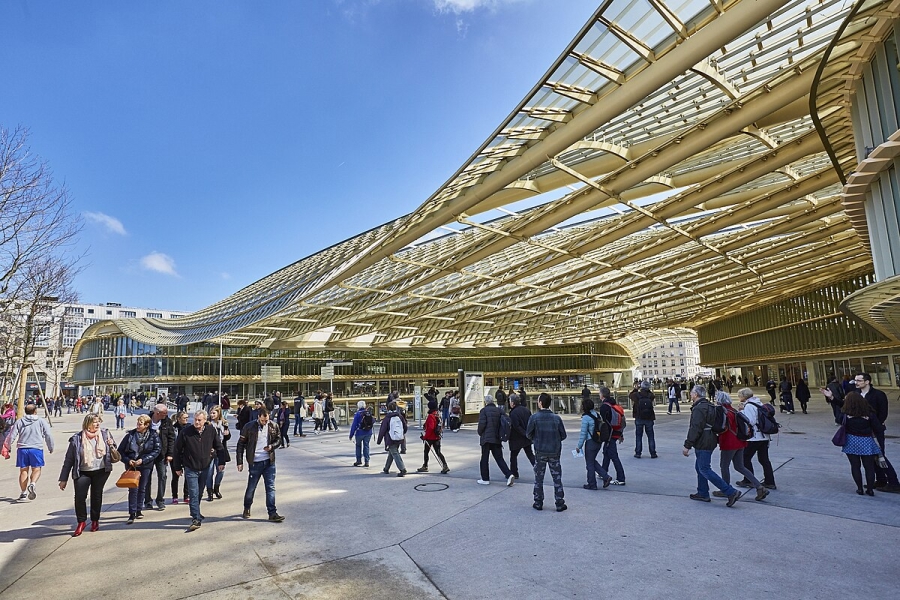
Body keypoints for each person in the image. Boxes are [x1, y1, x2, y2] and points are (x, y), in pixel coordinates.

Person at [682, 385, 742, 506]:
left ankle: (730, 492)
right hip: (710, 439)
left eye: (692, 392)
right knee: (700, 467)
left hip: (703, 441)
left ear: (696, 394)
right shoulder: (710, 406)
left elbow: (695, 428)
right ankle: (702, 492)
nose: (691, 394)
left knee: (704, 468)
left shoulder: (699, 408)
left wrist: (687, 445)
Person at [58, 414, 116, 536]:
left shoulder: (105, 434)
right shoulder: (77, 439)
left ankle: (95, 520)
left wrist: (111, 445)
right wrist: (63, 478)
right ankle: (81, 521)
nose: (97, 424)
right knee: (80, 497)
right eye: (95, 422)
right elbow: (69, 460)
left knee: (96, 495)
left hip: (101, 471)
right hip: (82, 472)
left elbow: (114, 451)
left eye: (98, 421)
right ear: (87, 423)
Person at [172, 410, 227, 531]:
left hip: (205, 467)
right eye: (195, 419)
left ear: (205, 420)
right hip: (190, 467)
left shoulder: (211, 431)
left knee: (200, 492)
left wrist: (221, 461)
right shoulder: (186, 432)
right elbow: (177, 450)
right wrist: (177, 467)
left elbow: (219, 446)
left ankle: (196, 511)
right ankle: (196, 518)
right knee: (193, 493)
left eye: (199, 420)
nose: (196, 422)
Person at [847, 373, 899, 492]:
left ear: (867, 381)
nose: (856, 383)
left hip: (875, 431)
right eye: (855, 380)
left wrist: (875, 426)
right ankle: (881, 480)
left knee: (880, 456)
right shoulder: (857, 394)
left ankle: (894, 482)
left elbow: (883, 413)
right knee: (870, 458)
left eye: (859, 380)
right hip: (862, 432)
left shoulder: (878, 395)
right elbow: (847, 407)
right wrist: (832, 398)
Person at [713, 391, 768, 501]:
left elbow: (721, 428)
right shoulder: (733, 410)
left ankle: (726, 489)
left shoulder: (723, 412)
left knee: (724, 466)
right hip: (740, 441)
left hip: (729, 442)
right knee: (740, 466)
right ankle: (759, 486)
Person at [236, 407, 285, 522]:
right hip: (255, 462)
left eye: (266, 420)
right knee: (251, 487)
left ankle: (272, 513)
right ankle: (247, 507)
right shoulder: (249, 427)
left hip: (269, 462)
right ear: (258, 417)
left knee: (271, 488)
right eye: (263, 420)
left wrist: (272, 446)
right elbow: (241, 444)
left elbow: (279, 439)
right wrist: (240, 461)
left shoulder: (273, 425)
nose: (265, 422)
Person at [1, 403, 54, 501]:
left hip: (22, 449)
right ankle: (32, 483)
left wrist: (7, 446)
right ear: (35, 411)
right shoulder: (41, 421)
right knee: (36, 469)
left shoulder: (20, 421)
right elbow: (48, 435)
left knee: (23, 471)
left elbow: (12, 435)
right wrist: (51, 447)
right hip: (36, 448)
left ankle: (23, 493)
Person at [526, 393, 567, 511]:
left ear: (540, 403)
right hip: (554, 452)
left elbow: (528, 434)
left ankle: (538, 502)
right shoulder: (556, 418)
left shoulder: (534, 418)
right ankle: (559, 502)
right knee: (557, 478)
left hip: (540, 452)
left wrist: (537, 439)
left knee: (539, 478)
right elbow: (563, 435)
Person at [839, 392, 884, 495]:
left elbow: (838, 419)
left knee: (855, 466)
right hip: (866, 441)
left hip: (851, 441)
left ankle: (859, 488)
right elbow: (878, 428)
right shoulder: (869, 414)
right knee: (869, 467)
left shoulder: (846, 414)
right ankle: (870, 489)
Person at [119, 414, 161, 524]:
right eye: (137, 423)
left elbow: (157, 450)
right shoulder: (130, 435)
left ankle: (139, 510)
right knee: (133, 489)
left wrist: (144, 460)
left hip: (145, 465)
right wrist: (128, 460)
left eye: (140, 423)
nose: (138, 425)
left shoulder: (153, 435)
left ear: (147, 425)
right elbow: (120, 451)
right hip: (132, 465)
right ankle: (132, 513)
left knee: (142, 488)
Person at [735, 388, 777, 491]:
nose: (739, 398)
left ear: (744, 396)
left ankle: (749, 479)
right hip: (764, 436)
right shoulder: (758, 403)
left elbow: (750, 421)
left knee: (745, 458)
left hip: (755, 437)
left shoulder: (749, 406)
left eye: (739, 396)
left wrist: (741, 412)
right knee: (764, 459)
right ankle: (770, 481)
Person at [144, 403, 176, 512]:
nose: (166, 415)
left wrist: (170, 454)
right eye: (164, 413)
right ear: (157, 413)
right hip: (147, 454)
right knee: (146, 478)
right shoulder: (146, 420)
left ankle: (160, 500)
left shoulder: (167, 422)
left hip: (162, 455)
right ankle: (147, 501)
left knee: (162, 476)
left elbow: (172, 438)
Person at [476, 394, 514, 486]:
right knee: (499, 458)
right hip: (497, 438)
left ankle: (485, 478)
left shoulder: (484, 411)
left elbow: (482, 425)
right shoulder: (499, 410)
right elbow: (507, 421)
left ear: (485, 402)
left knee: (484, 459)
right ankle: (509, 474)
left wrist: (480, 433)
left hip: (486, 438)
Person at [575, 398, 612, 490]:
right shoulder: (597, 415)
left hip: (590, 442)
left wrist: (579, 446)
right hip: (598, 441)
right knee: (592, 461)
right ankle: (605, 476)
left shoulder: (586, 418)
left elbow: (583, 433)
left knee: (589, 464)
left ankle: (592, 483)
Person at [598, 387, 626, 485]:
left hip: (609, 435)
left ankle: (621, 478)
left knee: (614, 456)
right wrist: (620, 434)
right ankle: (603, 472)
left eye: (599, 393)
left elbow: (603, 423)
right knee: (606, 453)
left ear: (602, 395)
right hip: (616, 432)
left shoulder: (604, 407)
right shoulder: (614, 404)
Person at [204, 406, 231, 501]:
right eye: (211, 413)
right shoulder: (207, 424)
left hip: (221, 450)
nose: (212, 415)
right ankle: (210, 492)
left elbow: (227, 437)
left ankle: (216, 488)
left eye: (214, 413)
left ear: (219, 413)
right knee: (209, 473)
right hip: (210, 451)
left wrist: (227, 435)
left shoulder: (224, 423)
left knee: (221, 471)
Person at [376, 401, 407, 476]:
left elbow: (382, 430)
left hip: (390, 439)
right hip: (399, 438)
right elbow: (405, 427)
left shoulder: (387, 418)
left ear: (387, 408)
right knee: (392, 453)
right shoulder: (400, 416)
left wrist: (379, 440)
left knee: (395, 453)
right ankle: (386, 468)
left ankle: (402, 469)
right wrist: (401, 434)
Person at [508, 392, 535, 480]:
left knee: (513, 456)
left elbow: (516, 426)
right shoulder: (526, 410)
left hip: (516, 438)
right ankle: (537, 468)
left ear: (513, 403)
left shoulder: (513, 413)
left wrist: (524, 433)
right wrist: (528, 433)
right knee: (530, 454)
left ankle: (514, 473)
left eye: (510, 401)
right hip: (526, 437)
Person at [417, 400, 449, 473]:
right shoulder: (437, 414)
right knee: (438, 452)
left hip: (430, 437)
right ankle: (445, 465)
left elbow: (431, 428)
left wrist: (425, 437)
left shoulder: (430, 416)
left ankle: (425, 466)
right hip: (437, 437)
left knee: (426, 452)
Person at [632, 381, 657, 458]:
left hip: (639, 417)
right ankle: (653, 453)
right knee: (650, 436)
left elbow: (630, 396)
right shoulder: (650, 395)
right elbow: (652, 396)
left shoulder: (636, 395)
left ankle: (638, 452)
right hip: (649, 418)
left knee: (639, 436)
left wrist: (636, 389)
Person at [170, 411, 189, 504]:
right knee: (175, 476)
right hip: (175, 455)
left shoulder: (189, 428)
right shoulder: (173, 429)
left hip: (187, 455)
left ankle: (186, 495)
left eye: (187, 417)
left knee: (188, 476)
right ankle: (175, 496)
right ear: (178, 419)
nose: (186, 419)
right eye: (184, 418)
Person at [349, 401, 374, 467]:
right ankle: (367, 461)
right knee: (366, 446)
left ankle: (359, 460)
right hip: (368, 432)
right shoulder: (368, 413)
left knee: (358, 446)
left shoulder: (357, 414)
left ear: (358, 406)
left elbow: (354, 425)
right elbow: (373, 421)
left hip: (359, 432)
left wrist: (351, 435)